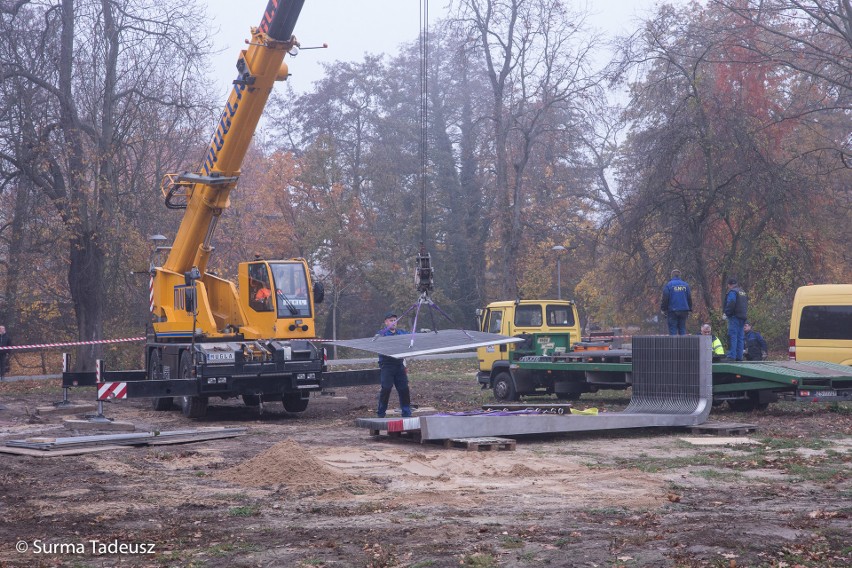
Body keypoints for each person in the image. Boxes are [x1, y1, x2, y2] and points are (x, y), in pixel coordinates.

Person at [375, 311, 412, 418]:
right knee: (386, 388)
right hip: (387, 366)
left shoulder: (401, 333)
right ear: (386, 322)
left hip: (399, 365)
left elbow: (412, 335)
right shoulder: (381, 334)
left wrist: (422, 333)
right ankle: (381, 413)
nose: (393, 322)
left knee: (404, 389)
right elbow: (376, 343)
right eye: (391, 320)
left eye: (395, 320)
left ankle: (406, 413)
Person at [660, 269, 693, 335]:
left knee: (673, 329)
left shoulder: (669, 285)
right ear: (680, 276)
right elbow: (689, 298)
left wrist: (663, 309)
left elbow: (665, 298)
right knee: (682, 328)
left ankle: (673, 345)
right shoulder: (686, 285)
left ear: (671, 276)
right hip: (684, 310)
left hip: (672, 310)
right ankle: (683, 344)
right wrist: (689, 309)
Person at [723, 278, 748, 361]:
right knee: (740, 337)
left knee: (732, 336)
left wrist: (727, 313)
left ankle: (731, 356)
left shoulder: (733, 292)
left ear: (729, 285)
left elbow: (731, 302)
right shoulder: (742, 292)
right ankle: (739, 356)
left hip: (734, 317)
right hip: (742, 317)